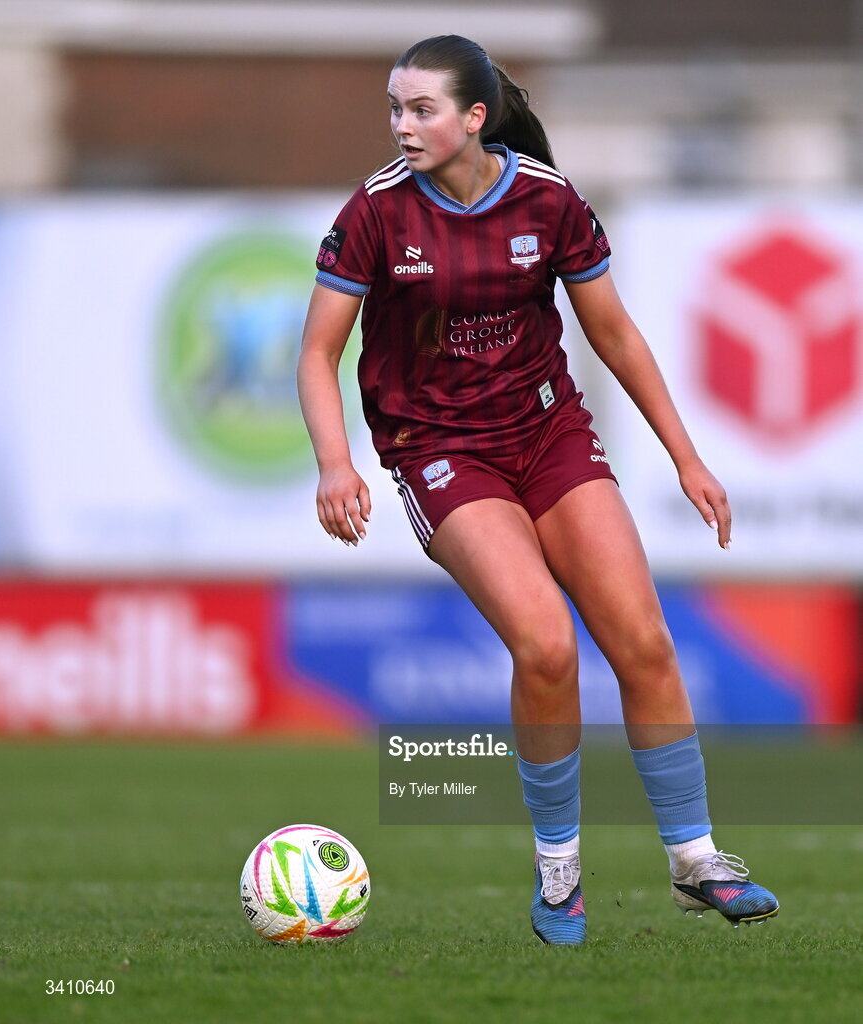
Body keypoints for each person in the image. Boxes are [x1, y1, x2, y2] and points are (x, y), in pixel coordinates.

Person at [297, 34, 778, 945]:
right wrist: (336, 462)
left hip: (550, 434)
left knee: (641, 638)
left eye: (421, 109)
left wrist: (687, 457)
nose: (402, 126)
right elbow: (318, 352)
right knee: (548, 646)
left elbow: (617, 336)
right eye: (395, 109)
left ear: (475, 117)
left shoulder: (550, 202)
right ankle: (560, 873)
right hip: (440, 450)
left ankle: (695, 861)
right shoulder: (374, 211)